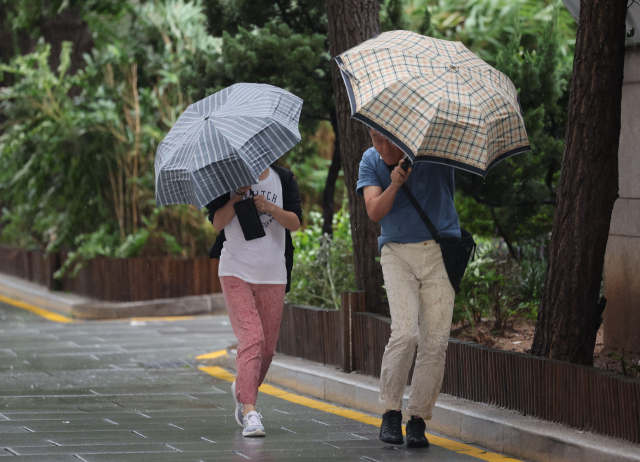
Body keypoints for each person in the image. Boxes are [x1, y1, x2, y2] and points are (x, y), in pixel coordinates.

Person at [357, 128, 460, 448]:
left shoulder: (435, 152)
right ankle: (391, 411)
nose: (383, 145)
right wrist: (397, 182)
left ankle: (417, 419)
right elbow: (374, 211)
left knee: (435, 341)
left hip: (441, 253)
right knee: (405, 333)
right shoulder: (370, 161)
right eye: (376, 138)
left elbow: (450, 187)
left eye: (388, 138)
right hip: (397, 252)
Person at [206, 163, 302, 437]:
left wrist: (269, 207)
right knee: (252, 339)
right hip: (235, 271)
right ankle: (250, 411)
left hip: (274, 273)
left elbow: (294, 222)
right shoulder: (225, 177)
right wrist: (237, 195)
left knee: (268, 349)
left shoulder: (282, 178)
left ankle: (242, 388)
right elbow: (217, 223)